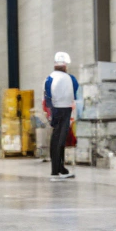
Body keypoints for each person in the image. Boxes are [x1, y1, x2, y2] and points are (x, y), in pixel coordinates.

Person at [43, 52, 79, 180]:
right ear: (65, 66)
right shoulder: (71, 78)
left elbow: (47, 97)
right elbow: (75, 93)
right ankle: (56, 170)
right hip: (65, 110)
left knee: (56, 139)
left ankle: (59, 169)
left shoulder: (49, 78)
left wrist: (49, 112)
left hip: (55, 110)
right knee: (60, 140)